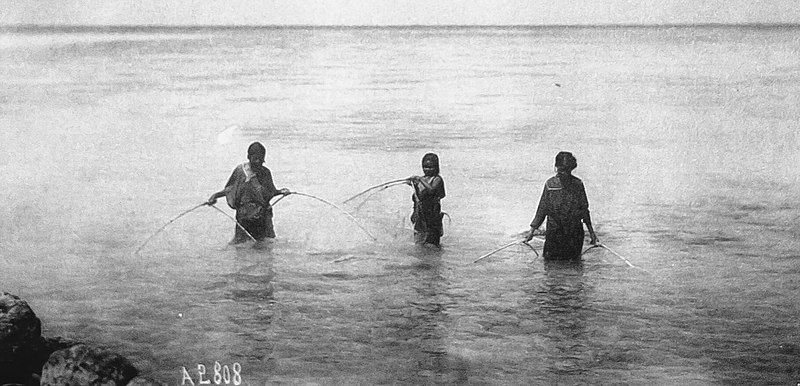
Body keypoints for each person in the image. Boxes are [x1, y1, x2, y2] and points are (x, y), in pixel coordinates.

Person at [207, 142, 290, 245]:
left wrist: (281, 192)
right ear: (248, 157)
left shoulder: (266, 173)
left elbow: (270, 192)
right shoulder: (240, 171)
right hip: (244, 218)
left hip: (262, 217)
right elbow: (230, 189)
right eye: (255, 159)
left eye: (260, 159)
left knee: (267, 245)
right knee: (239, 246)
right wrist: (215, 196)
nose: (258, 162)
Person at [524, 151, 598, 260]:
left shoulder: (574, 184)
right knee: (557, 268)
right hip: (557, 234)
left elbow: (584, 211)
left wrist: (592, 233)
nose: (563, 173)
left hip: (571, 234)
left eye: (565, 170)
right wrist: (531, 232)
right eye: (561, 170)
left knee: (566, 267)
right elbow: (542, 209)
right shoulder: (554, 184)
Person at [407, 153, 446, 247]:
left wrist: (420, 180)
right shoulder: (422, 180)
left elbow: (431, 189)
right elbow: (417, 198)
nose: (427, 169)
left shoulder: (437, 179)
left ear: (436, 167)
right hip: (421, 214)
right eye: (425, 167)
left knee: (432, 243)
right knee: (419, 242)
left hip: (433, 215)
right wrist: (413, 183)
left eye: (431, 167)